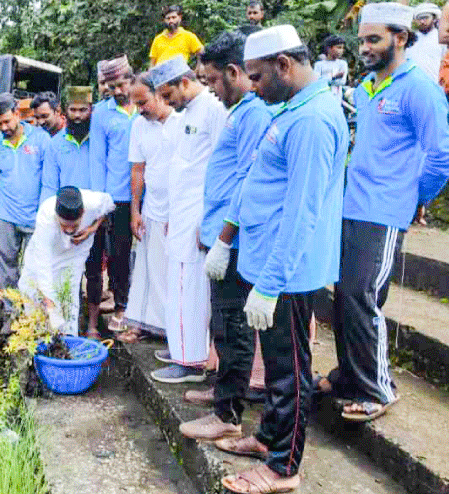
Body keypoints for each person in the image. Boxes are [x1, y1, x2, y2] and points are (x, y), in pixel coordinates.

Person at [214, 25, 349, 493]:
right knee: (275, 366)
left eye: (256, 76)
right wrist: (229, 239)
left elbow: (302, 211)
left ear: (284, 65)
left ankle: (284, 467)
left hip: (287, 272)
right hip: (268, 260)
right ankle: (269, 437)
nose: (252, 87)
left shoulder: (312, 120)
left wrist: (270, 284)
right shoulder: (292, 109)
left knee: (290, 370)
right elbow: (260, 180)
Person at [323, 2, 449, 423]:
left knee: (363, 295)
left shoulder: (420, 90)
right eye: (362, 40)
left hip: (384, 211)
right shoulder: (365, 88)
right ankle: (348, 376)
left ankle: (378, 388)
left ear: (401, 37)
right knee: (345, 296)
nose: (364, 48)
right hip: (352, 205)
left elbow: (440, 157)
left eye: (373, 39)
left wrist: (414, 200)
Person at [177, 29, 272, 441]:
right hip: (222, 232)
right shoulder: (241, 111)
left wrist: (224, 238)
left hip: (235, 240)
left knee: (233, 327)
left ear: (234, 72)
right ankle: (222, 393)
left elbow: (248, 180)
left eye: (214, 80)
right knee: (224, 323)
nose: (211, 90)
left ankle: (228, 414)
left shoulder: (254, 115)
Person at [146, 55, 226, 383]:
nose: (167, 103)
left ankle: (190, 360)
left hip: (197, 216)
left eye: (168, 95)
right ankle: (180, 346)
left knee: (189, 287)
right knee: (178, 284)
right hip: (180, 214)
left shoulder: (213, 110)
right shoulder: (187, 114)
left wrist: (208, 222)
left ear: (184, 82)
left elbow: (220, 168)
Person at [118, 70, 180, 345]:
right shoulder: (139, 126)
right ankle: (142, 324)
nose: (139, 109)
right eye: (136, 104)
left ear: (160, 94)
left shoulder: (183, 120)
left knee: (175, 272)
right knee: (146, 271)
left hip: (181, 210)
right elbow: (137, 170)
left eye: (143, 102)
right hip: (152, 208)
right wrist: (135, 210)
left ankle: (175, 331)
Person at [0, 93, 52, 333]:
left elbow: (48, 181)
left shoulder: (41, 140)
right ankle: (10, 319)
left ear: (18, 114)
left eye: (7, 121)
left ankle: (35, 321)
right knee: (6, 270)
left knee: (34, 270)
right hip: (5, 216)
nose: (4, 128)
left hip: (35, 217)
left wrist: (44, 217)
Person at [40, 86, 105, 338]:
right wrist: (54, 222)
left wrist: (95, 224)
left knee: (94, 272)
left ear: (92, 110)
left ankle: (92, 325)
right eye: (73, 110)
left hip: (95, 219)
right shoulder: (55, 145)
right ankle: (69, 324)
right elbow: (49, 186)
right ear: (64, 111)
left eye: (83, 110)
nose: (77, 116)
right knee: (67, 273)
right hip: (64, 220)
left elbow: (106, 186)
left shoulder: (100, 142)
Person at [19, 186, 115, 335]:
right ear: (56, 216)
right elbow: (43, 265)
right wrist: (50, 305)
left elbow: (109, 204)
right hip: (47, 256)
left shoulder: (93, 202)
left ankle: (69, 337)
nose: (70, 230)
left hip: (75, 254)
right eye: (64, 226)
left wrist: (92, 228)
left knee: (69, 296)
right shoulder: (46, 215)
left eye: (74, 226)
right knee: (33, 290)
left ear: (83, 212)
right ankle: (38, 340)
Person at [90, 54, 139, 332]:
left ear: (131, 79)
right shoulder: (101, 113)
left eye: (121, 85)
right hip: (117, 195)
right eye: (111, 87)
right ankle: (122, 306)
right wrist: (101, 202)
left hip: (149, 193)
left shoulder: (147, 104)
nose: (118, 91)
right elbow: (98, 159)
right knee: (119, 255)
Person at [407, 2, 445, 83]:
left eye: (425, 18)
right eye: (419, 18)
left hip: (435, 84)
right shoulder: (410, 39)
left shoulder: (441, 38)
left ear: (434, 19)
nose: (422, 21)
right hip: (412, 84)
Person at [313, 34, 349, 99]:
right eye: (339, 47)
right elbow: (317, 82)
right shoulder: (319, 65)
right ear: (329, 48)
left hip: (336, 98)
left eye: (342, 48)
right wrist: (333, 78)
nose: (341, 51)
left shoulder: (342, 63)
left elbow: (342, 82)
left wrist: (325, 80)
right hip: (321, 98)